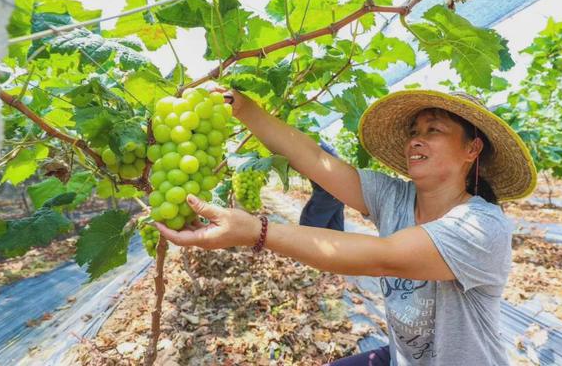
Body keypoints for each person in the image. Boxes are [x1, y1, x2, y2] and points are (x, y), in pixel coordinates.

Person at [155, 89, 537, 366]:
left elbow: (383, 258)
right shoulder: (394, 197)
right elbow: (317, 162)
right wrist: (244, 108)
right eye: (413, 130)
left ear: (472, 150)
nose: (416, 139)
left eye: (433, 130)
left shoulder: (482, 227)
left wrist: (258, 232)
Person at [299, 139, 345, 231]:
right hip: (340, 182)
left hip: (332, 183)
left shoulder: (305, 140)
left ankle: (308, 241)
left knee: (309, 229)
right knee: (334, 228)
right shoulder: (318, 142)